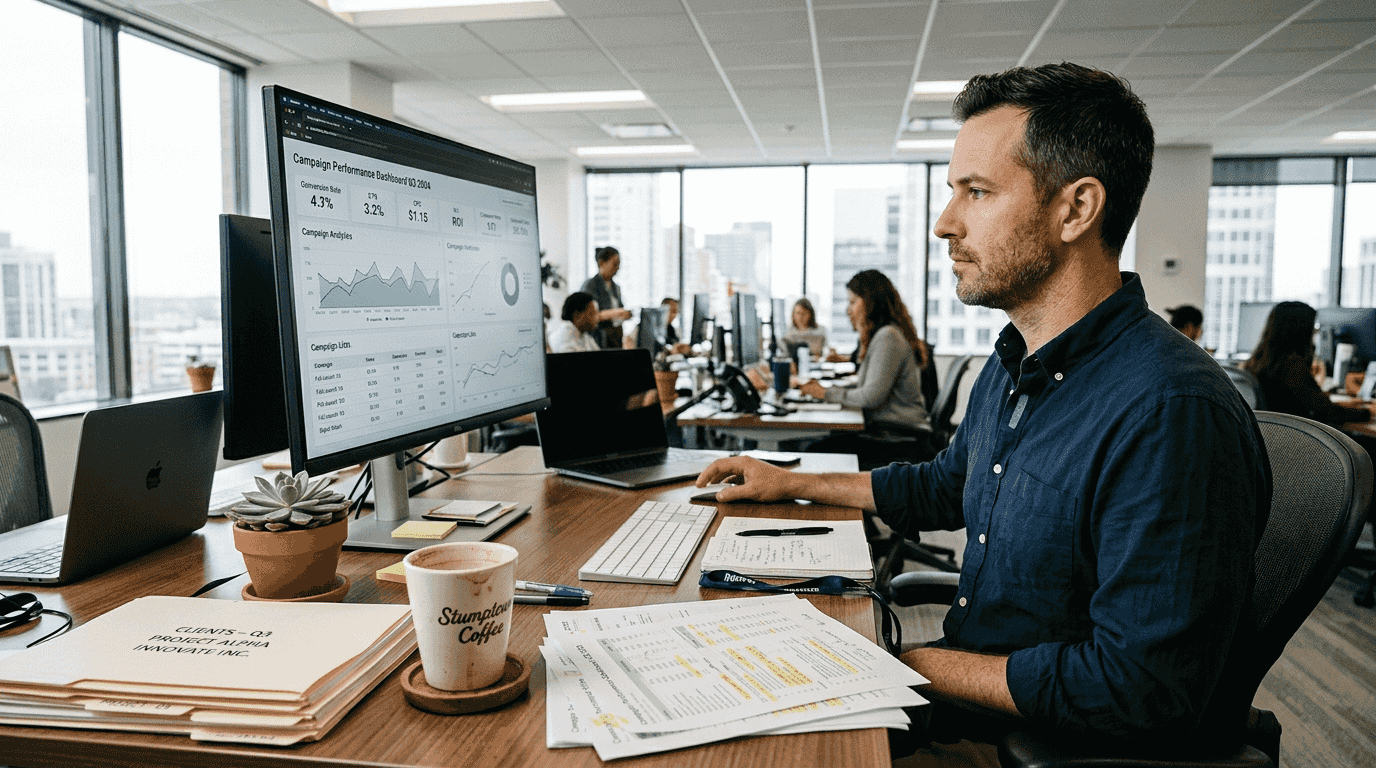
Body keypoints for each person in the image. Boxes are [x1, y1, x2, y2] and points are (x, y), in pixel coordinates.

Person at [696, 62, 1270, 755]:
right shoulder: (1017, 363)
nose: (945, 223)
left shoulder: (1170, 411)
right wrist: (791, 482)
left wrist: (908, 667)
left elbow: (1138, 688)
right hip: (967, 696)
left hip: (1025, 739)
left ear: (1076, 210)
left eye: (977, 192)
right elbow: (944, 485)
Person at [796, 270, 937, 468]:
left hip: (898, 439)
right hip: (891, 433)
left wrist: (825, 393)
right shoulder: (885, 335)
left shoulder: (888, 337)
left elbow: (871, 397)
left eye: (853, 302)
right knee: (817, 447)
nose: (848, 310)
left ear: (870, 303)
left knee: (813, 452)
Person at [1244, 301, 1375, 425]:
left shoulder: (1256, 362)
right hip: (1298, 436)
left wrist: (1350, 405)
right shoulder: (1292, 366)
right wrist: (1369, 412)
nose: (1314, 333)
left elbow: (1313, 403)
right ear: (1300, 331)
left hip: (1277, 434)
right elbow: (1328, 412)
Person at [581, 246, 633, 348]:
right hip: (598, 337)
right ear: (601, 263)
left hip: (615, 336)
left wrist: (625, 314)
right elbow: (589, 315)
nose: (618, 268)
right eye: (615, 264)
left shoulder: (616, 287)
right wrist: (616, 313)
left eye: (619, 264)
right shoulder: (590, 285)